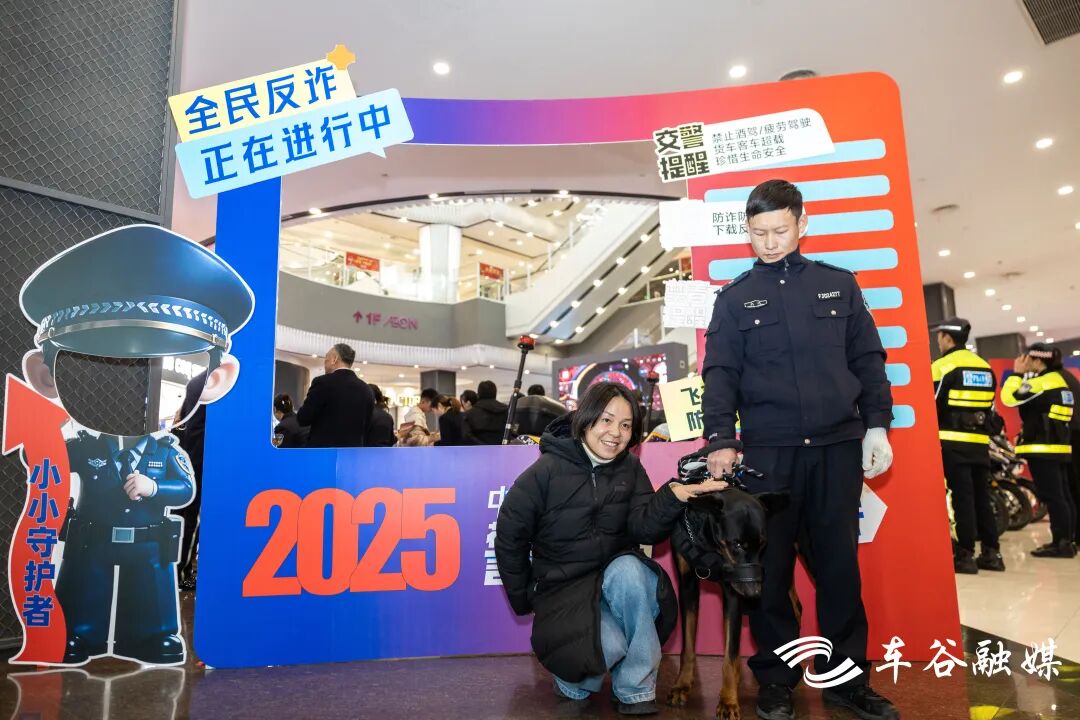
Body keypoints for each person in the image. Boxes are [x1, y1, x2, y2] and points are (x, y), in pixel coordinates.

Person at [701, 180, 897, 720]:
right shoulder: (734, 299)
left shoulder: (838, 285)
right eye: (758, 233)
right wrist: (720, 438)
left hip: (837, 449)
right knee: (770, 573)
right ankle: (776, 681)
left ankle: (846, 681)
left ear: (802, 224)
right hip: (769, 455)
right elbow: (720, 373)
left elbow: (868, 359)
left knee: (839, 568)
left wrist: (877, 426)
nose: (769, 242)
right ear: (747, 231)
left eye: (780, 230)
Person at [18, 224, 253, 665]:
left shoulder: (166, 451)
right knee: (83, 588)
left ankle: (150, 637)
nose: (131, 394)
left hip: (148, 542)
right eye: (94, 376)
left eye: (164, 374)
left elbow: (185, 489)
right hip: (92, 537)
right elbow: (50, 466)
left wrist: (155, 487)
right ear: (46, 377)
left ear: (214, 381)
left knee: (151, 596)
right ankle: (78, 634)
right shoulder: (83, 444)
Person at [495, 382, 728, 715]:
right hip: (564, 594)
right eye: (606, 420)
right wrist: (526, 597)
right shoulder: (545, 472)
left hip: (612, 585)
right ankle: (571, 681)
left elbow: (645, 528)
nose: (616, 433)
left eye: (626, 425)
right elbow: (509, 537)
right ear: (586, 418)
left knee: (633, 569)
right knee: (610, 647)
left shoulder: (630, 468)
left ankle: (635, 688)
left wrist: (673, 495)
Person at [930, 319, 1003, 574]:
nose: (938, 341)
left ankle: (965, 555)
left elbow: (932, 405)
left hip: (952, 443)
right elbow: (991, 409)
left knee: (962, 498)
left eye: (939, 336)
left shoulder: (942, 366)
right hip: (980, 444)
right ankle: (992, 553)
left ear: (947, 338)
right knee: (982, 497)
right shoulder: (984, 367)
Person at [1001, 343, 1076, 558]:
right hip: (1059, 447)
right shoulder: (1060, 382)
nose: (1025, 362)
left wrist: (1017, 374)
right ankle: (1067, 540)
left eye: (1028, 358)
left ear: (1038, 360)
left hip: (1043, 450)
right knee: (1063, 496)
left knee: (1054, 497)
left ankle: (1061, 543)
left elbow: (1008, 398)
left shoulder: (1041, 383)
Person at [296, 343, 374, 448]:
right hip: (353, 453)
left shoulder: (322, 383)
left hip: (324, 452)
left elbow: (303, 418)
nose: (324, 364)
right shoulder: (366, 389)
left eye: (326, 360)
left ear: (334, 359)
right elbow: (367, 426)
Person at [175, 371, 206, 592]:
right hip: (203, 459)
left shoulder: (195, 382)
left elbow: (182, 418)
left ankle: (177, 570)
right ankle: (181, 573)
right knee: (192, 519)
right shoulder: (221, 382)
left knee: (184, 516)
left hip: (188, 458)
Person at [462, 380, 509, 445]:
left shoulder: (470, 414)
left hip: (477, 450)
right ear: (495, 393)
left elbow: (466, 436)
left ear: (479, 394)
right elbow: (511, 432)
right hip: (501, 449)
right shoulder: (506, 411)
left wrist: (484, 447)